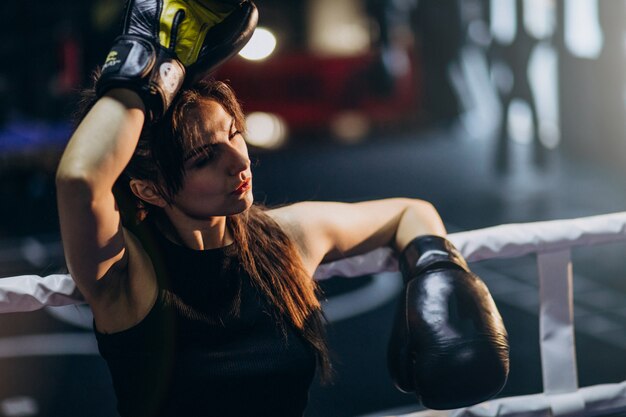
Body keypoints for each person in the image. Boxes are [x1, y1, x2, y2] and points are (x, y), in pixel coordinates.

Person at [55, 0, 509, 416]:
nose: (240, 161)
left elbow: (412, 212)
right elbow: (80, 180)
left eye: (234, 133)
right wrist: (147, 58)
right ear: (150, 190)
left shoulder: (284, 239)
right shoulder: (127, 276)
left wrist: (434, 269)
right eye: (205, 158)